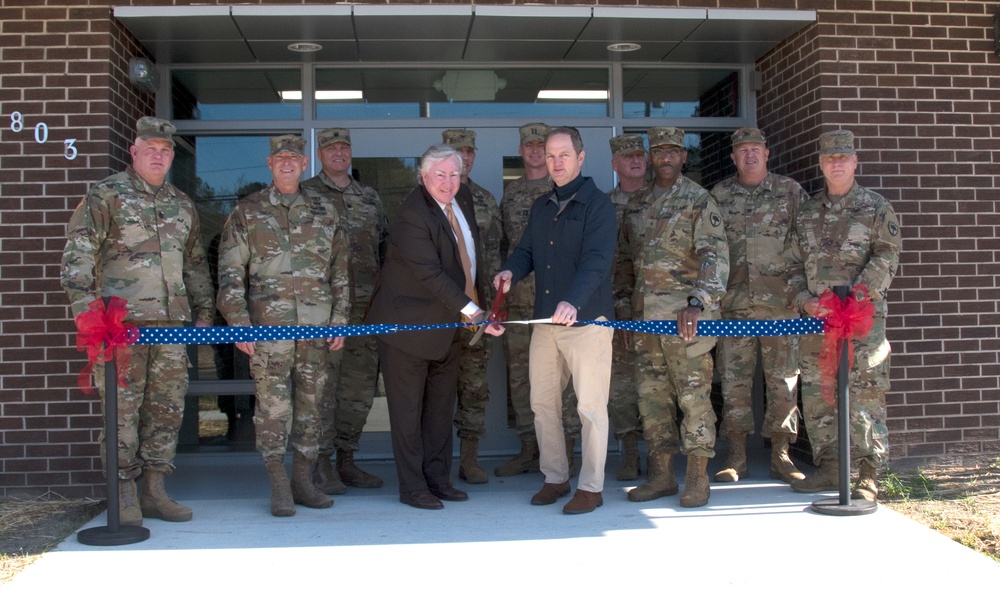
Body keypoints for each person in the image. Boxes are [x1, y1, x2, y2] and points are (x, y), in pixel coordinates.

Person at [61, 116, 214, 527]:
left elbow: (195, 263)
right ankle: (123, 491)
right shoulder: (106, 195)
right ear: (134, 151)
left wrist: (202, 312)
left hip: (171, 326)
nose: (158, 156)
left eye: (165, 151)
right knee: (121, 411)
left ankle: (154, 489)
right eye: (151, 149)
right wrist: (87, 315)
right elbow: (77, 255)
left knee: (166, 412)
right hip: (119, 327)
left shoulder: (183, 204)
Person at [216, 135, 350, 517]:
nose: (287, 163)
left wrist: (339, 319)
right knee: (273, 409)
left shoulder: (325, 210)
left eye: (293, 157)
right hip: (267, 329)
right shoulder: (248, 210)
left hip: (316, 329)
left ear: (305, 163)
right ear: (270, 164)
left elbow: (340, 271)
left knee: (312, 405)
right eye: (280, 158)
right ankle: (278, 482)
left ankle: (303, 480)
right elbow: (229, 272)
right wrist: (239, 322)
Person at [366, 144, 502, 510]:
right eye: (439, 175)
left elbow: (469, 259)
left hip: (447, 327)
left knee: (440, 411)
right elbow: (431, 274)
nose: (447, 182)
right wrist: (474, 312)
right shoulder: (413, 213)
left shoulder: (464, 201)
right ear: (424, 176)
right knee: (409, 415)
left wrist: (477, 307)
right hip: (406, 330)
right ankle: (412, 488)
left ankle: (439, 480)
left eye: (454, 174)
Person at [495, 126, 617, 515]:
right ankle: (555, 477)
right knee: (542, 404)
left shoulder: (598, 205)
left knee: (590, 408)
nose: (556, 162)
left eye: (564, 154)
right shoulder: (541, 205)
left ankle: (591, 487)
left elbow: (597, 261)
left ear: (581, 158)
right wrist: (510, 272)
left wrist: (573, 302)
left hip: (587, 322)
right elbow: (526, 251)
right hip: (545, 323)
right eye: (550, 156)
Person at [615, 126, 728, 508]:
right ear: (650, 156)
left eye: (672, 151)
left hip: (687, 322)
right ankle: (661, 475)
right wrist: (623, 307)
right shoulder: (638, 202)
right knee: (652, 399)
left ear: (683, 157)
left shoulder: (699, 200)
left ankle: (697, 478)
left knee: (694, 399)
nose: (665, 157)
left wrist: (698, 300)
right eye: (659, 151)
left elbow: (715, 256)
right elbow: (626, 261)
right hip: (645, 321)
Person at [786, 130, 901, 501]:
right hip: (817, 321)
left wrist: (856, 296)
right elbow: (789, 266)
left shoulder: (876, 207)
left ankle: (868, 474)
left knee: (865, 392)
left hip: (861, 320)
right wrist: (804, 300)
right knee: (819, 395)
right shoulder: (805, 214)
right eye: (830, 157)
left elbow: (886, 256)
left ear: (855, 162)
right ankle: (831, 467)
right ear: (821, 164)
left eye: (843, 157)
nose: (837, 163)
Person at [710, 127, 808, 484]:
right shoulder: (718, 195)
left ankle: (781, 455)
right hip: (734, 306)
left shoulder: (790, 192)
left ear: (767, 154)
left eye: (756, 149)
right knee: (734, 382)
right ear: (733, 157)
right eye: (742, 150)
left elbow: (806, 243)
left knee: (783, 382)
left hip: (781, 306)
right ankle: (736, 455)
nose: (749, 155)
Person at [302, 128, 388, 494]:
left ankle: (347, 460)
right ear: (320, 154)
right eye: (330, 148)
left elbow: (385, 249)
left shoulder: (369, 197)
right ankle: (319, 464)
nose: (338, 153)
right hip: (321, 311)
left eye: (344, 147)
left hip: (364, 309)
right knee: (321, 388)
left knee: (358, 388)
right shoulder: (305, 195)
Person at [496, 122, 583, 479]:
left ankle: (569, 452)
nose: (536, 152)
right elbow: (513, 248)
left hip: (559, 305)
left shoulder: (564, 190)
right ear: (522, 150)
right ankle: (529, 450)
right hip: (519, 305)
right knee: (522, 380)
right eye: (530, 146)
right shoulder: (513, 195)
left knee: (566, 384)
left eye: (542, 146)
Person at [441, 129, 503, 484]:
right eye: (456, 151)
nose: (463, 157)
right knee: (436, 387)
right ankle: (436, 462)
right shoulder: (425, 197)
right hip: (437, 313)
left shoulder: (485, 199)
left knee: (474, 386)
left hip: (476, 313)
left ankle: (469, 459)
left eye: (469, 151)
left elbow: (493, 254)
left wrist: (493, 306)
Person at [606, 134, 647, 481]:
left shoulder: (663, 200)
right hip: (616, 306)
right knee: (620, 386)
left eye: (639, 155)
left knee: (658, 383)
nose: (635, 160)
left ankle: (663, 453)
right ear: (614, 164)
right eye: (627, 156)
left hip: (658, 307)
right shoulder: (603, 206)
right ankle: (630, 452)